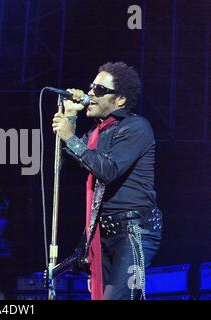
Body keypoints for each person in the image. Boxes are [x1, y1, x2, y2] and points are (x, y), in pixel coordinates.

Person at [51, 62, 162, 300]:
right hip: (104, 235)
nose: (90, 93)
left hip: (134, 232)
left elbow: (108, 170)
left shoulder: (136, 127)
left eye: (99, 90)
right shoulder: (96, 134)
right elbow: (72, 160)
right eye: (91, 87)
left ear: (120, 100)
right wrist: (70, 115)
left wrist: (70, 136)